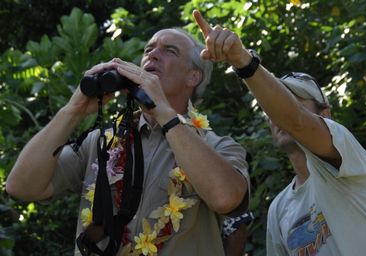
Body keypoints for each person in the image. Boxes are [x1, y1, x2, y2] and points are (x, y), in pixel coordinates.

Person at [6, 27, 250, 255]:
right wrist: (73, 110)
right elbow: (22, 187)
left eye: (169, 51)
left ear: (193, 77)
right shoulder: (102, 142)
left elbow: (225, 198)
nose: (153, 55)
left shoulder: (218, 147)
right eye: (149, 49)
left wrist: (163, 111)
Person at [193, 9, 366, 256]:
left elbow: (296, 121)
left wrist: (242, 59)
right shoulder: (279, 208)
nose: (277, 114)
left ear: (324, 115)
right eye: (272, 106)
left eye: (295, 102)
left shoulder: (347, 157)